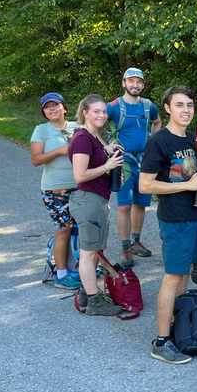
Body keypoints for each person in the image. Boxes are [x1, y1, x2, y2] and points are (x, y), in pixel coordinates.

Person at [139, 85, 197, 365]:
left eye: (190, 105)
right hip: (176, 220)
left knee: (185, 273)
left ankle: (176, 327)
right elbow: (145, 184)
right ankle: (161, 341)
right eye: (180, 105)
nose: (186, 110)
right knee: (173, 276)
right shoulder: (159, 141)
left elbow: (187, 173)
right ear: (167, 108)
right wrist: (189, 183)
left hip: (194, 216)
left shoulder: (190, 139)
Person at [68, 94, 124, 316]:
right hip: (88, 200)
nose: (101, 115)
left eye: (104, 112)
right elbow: (80, 175)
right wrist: (107, 166)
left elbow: (97, 157)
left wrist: (108, 150)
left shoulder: (94, 136)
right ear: (85, 113)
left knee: (92, 251)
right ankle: (94, 302)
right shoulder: (82, 138)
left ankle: (85, 293)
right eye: (96, 112)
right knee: (89, 253)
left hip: (97, 200)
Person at [107, 67, 162, 267]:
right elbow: (92, 123)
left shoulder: (148, 106)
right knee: (124, 206)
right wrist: (106, 145)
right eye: (131, 81)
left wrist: (153, 143)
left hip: (144, 163)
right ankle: (125, 249)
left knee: (141, 204)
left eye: (139, 82)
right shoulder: (113, 106)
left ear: (143, 85)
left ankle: (136, 241)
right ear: (124, 83)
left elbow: (157, 123)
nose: (135, 85)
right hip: (123, 164)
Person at [30, 92, 81, 289]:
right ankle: (61, 275)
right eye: (47, 107)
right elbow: (36, 160)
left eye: (55, 105)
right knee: (63, 229)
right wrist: (59, 151)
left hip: (80, 185)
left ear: (64, 108)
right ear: (44, 112)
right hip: (55, 189)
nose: (52, 109)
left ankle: (81, 267)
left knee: (82, 228)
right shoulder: (41, 130)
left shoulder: (78, 127)